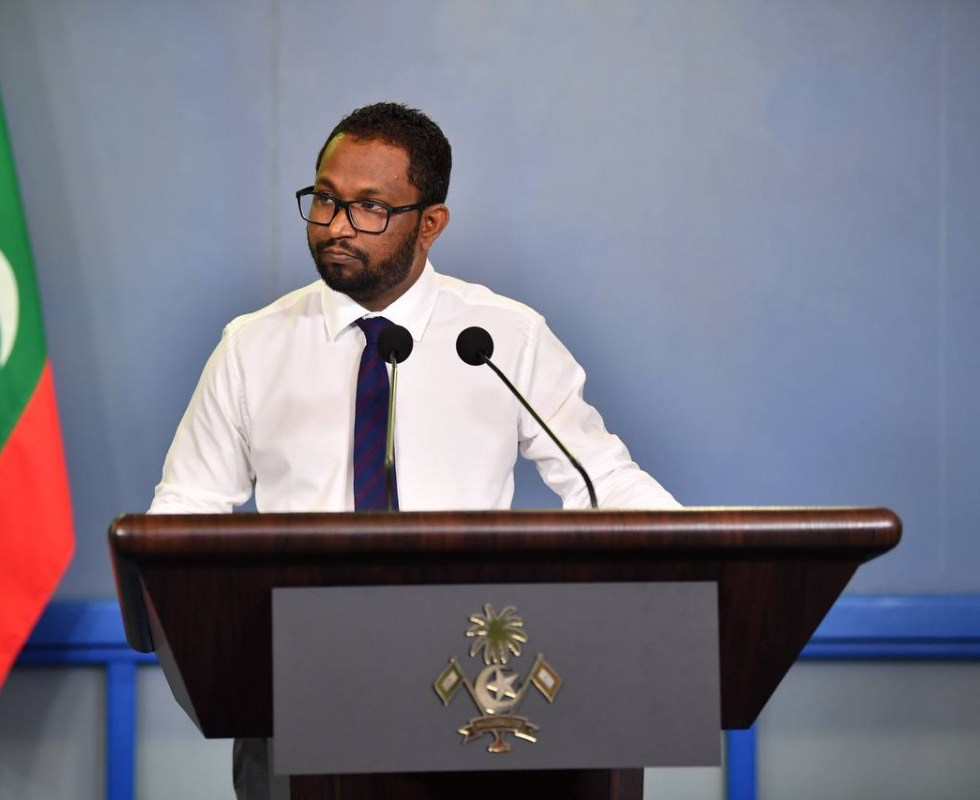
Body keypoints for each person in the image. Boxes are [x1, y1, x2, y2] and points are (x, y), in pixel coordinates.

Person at [148, 102, 679, 798]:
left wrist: (699, 564)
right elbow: (186, 512)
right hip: (299, 685)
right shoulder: (252, 346)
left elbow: (601, 479)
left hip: (474, 693)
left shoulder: (501, 339)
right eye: (325, 200)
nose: (337, 225)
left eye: (369, 208)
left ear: (430, 224)